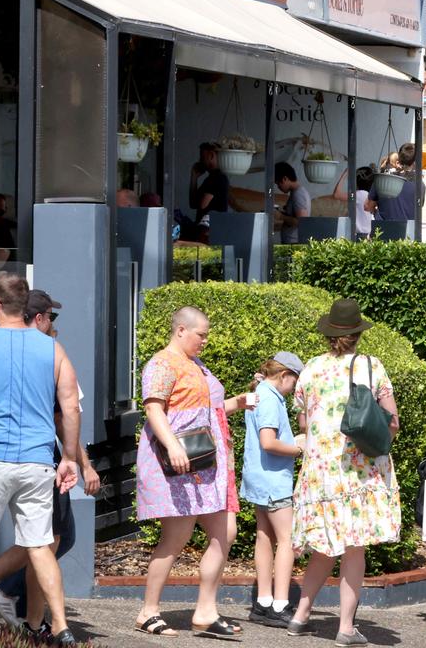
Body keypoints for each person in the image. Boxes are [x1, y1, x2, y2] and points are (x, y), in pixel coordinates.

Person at [0, 274, 80, 645]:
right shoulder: (52, 349)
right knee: (40, 545)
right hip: (38, 460)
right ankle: (60, 626)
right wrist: (70, 458)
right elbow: (71, 407)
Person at [133, 307, 251, 639]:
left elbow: (207, 409)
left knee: (224, 533)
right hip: (182, 464)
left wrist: (236, 403)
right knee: (176, 538)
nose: (205, 341)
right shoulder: (163, 363)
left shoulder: (194, 364)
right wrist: (172, 446)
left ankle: (205, 611)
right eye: (201, 335)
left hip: (204, 464)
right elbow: (154, 407)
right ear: (181, 330)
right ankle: (148, 611)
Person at [289, 299, 401, 646]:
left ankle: (300, 615)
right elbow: (392, 421)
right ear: (357, 333)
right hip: (359, 470)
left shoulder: (310, 369)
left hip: (320, 470)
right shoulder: (371, 366)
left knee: (325, 545)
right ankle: (346, 627)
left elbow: (304, 420)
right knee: (354, 549)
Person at [244, 352, 305, 629]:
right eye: (294, 381)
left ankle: (263, 603)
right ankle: (280, 604)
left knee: (264, 536)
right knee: (287, 539)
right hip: (274, 480)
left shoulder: (261, 392)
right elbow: (268, 442)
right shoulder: (269, 397)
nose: (294, 388)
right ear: (284, 376)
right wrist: (298, 448)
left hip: (260, 478)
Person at [374, 142, 423, 222]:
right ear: (416, 161)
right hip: (408, 231)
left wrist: (376, 213)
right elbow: (418, 207)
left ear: (399, 159)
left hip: (383, 230)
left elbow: (368, 205)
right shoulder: (420, 185)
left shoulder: (382, 179)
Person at [190, 142, 230, 224]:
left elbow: (202, 205)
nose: (200, 161)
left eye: (202, 157)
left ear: (211, 156)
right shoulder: (213, 178)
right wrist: (194, 177)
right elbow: (193, 204)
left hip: (212, 232)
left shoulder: (217, 178)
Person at [274, 162, 311, 244]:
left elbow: (302, 222)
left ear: (285, 179)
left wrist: (281, 216)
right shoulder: (296, 192)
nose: (278, 187)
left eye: (278, 184)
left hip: (294, 244)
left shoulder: (298, 194)